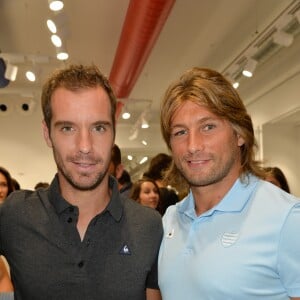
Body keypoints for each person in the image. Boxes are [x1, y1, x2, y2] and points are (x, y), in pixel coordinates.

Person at [0, 64, 163, 300]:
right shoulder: (16, 215)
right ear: (47, 134)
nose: (85, 146)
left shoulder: (148, 226)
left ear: (113, 132)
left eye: (98, 128)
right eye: (67, 128)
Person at [158, 67, 300, 299]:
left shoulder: (287, 219)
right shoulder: (171, 219)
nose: (193, 145)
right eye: (180, 132)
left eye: (208, 127)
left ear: (240, 134)